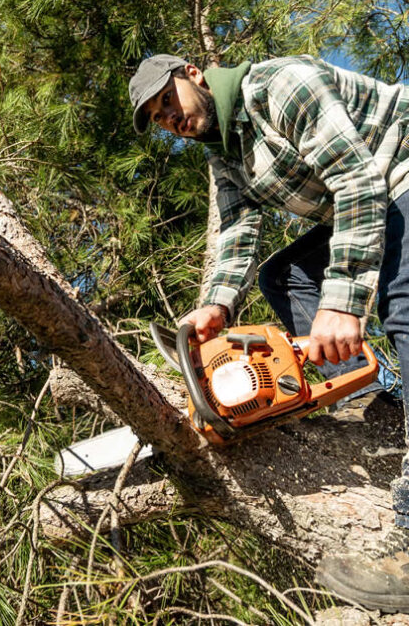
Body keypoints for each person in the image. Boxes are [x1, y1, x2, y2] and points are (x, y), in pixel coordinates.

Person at [129, 53, 409, 613]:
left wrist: (343, 303)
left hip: (399, 175)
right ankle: (368, 391)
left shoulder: (280, 85)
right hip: (374, 198)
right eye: (160, 119)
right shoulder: (223, 152)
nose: (171, 118)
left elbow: (356, 178)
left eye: (169, 101)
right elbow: (237, 230)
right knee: (282, 275)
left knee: (402, 308)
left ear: (193, 74)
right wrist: (214, 305)